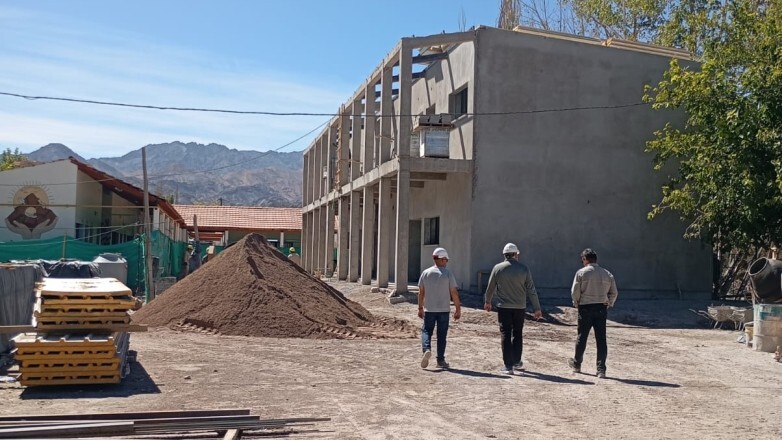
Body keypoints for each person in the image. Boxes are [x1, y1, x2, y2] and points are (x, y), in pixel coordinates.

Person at [484, 243, 542, 375]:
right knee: (518, 334)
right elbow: (531, 290)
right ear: (516, 254)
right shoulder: (524, 269)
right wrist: (537, 308)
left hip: (503, 307)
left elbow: (490, 287)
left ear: (505, 255)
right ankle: (517, 361)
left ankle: (508, 366)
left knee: (505, 334)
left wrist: (488, 301)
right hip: (520, 308)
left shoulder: (497, 268)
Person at [568, 248, 618, 379]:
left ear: (585, 259)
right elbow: (614, 292)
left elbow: (575, 292)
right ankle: (601, 369)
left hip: (585, 308)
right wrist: (609, 303)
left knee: (581, 337)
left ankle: (577, 364)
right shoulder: (607, 274)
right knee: (601, 339)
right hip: (601, 308)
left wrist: (577, 303)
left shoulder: (581, 273)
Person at [418, 247, 461, 369]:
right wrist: (458, 309)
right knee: (442, 335)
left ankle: (426, 349)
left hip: (429, 310)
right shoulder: (448, 274)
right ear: (442, 260)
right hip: (444, 310)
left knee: (426, 331)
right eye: (446, 260)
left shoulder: (425, 273)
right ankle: (440, 360)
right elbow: (454, 293)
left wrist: (420, 308)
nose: (446, 262)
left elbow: (421, 292)